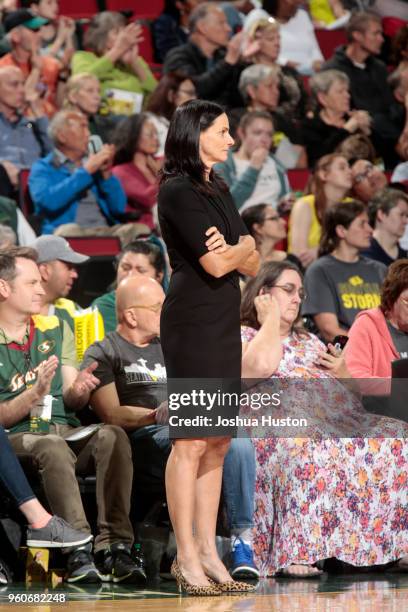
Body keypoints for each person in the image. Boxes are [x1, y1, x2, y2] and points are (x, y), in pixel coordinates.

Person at [83, 275, 260, 580]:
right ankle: (190, 551)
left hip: (188, 424)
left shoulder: (172, 345)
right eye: (158, 307)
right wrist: (156, 414)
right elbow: (111, 414)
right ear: (131, 315)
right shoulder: (105, 351)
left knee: (235, 437)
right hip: (144, 437)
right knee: (197, 438)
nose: (166, 312)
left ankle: (240, 539)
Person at [240, 259, 408, 577]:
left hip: (332, 420)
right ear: (262, 294)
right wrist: (270, 323)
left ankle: (393, 547)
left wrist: (343, 373)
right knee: (308, 438)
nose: (297, 298)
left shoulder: (310, 341)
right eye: (288, 290)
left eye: (300, 293)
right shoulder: (245, 335)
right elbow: (255, 370)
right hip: (276, 426)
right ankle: (297, 551)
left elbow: (350, 393)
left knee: (396, 433)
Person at [158, 99, 259, 594]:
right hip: (193, 322)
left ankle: (208, 551)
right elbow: (218, 265)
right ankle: (186, 554)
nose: (231, 139)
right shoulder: (177, 190)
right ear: (195, 134)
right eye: (223, 131)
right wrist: (237, 252)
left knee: (218, 442)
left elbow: (254, 260)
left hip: (223, 323)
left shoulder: (217, 185)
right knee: (191, 441)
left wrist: (237, 248)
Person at [0, 247, 144, 584]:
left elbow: (70, 396)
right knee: (50, 444)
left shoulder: (53, 329)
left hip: (61, 427)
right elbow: (2, 419)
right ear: (4, 288)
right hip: (19, 435)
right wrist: (33, 396)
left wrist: (80, 387)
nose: (40, 289)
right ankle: (77, 547)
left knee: (111, 435)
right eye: (32, 282)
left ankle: (115, 547)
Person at [28, 110, 126, 235]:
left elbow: (118, 208)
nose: (89, 134)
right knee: (71, 231)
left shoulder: (96, 166)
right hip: (67, 232)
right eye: (83, 128)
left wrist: (106, 174)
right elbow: (48, 202)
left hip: (103, 229)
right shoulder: (43, 168)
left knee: (138, 230)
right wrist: (86, 172)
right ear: (62, 136)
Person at [303, 199, 387, 341]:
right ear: (341, 231)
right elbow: (329, 330)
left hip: (382, 349)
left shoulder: (380, 269)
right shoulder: (319, 271)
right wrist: (369, 348)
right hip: (345, 354)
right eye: (362, 224)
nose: (370, 230)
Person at [322, 12, 399, 167]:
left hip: (387, 137)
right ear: (357, 35)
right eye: (376, 33)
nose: (382, 39)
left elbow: (393, 108)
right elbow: (347, 112)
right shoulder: (333, 69)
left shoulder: (380, 68)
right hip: (355, 141)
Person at [0, 424, 93, 551]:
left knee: (111, 435)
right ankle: (77, 550)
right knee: (52, 447)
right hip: (17, 432)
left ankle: (116, 547)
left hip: (67, 431)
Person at [71, 12, 156, 116]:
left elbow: (157, 95)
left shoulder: (135, 61)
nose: (124, 38)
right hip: (102, 119)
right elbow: (81, 81)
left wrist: (134, 64)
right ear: (101, 37)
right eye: (117, 33)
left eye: (124, 33)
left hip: (135, 122)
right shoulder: (83, 57)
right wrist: (117, 51)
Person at [163, 3, 245, 108]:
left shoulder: (222, 56)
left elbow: (239, 97)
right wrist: (228, 62)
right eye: (221, 23)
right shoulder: (178, 56)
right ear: (202, 27)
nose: (228, 29)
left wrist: (245, 61)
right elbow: (195, 91)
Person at [345, 258, 408, 379]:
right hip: (385, 398)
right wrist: (396, 386)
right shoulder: (366, 325)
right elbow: (355, 378)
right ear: (391, 298)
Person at [233, 63, 305, 166]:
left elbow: (300, 154)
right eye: (269, 86)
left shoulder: (283, 120)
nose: (276, 92)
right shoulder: (235, 118)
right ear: (252, 91)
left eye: (277, 87)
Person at [216, 111, 289, 212]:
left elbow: (283, 198)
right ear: (241, 133)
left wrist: (284, 204)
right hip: (241, 224)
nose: (264, 139)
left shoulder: (276, 164)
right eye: (257, 133)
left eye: (269, 134)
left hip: (273, 222)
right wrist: (253, 168)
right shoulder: (223, 165)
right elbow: (227, 207)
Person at [288, 153, 352, 268]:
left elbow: (359, 246)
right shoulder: (304, 205)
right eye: (342, 168)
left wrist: (319, 250)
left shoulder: (352, 205)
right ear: (324, 175)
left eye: (349, 167)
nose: (349, 171)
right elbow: (300, 257)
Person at [92, 240, 166, 334]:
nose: (131, 275)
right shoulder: (104, 307)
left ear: (159, 276)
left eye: (141, 270)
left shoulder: (170, 305)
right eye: (125, 268)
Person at [302, 69, 372, 167]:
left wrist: (367, 131)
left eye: (347, 91)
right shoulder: (310, 126)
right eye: (340, 91)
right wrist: (346, 130)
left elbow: (379, 156)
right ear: (323, 98)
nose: (347, 96)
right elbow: (318, 159)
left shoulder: (355, 119)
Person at [0, 8, 61, 117]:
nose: (40, 35)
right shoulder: (3, 70)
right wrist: (36, 70)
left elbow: (62, 104)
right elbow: (21, 103)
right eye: (34, 30)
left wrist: (64, 77)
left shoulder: (53, 65)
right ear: (16, 36)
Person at [244, 0, 324, 75]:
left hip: (311, 72)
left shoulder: (302, 15)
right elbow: (249, 50)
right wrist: (285, 63)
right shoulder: (258, 16)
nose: (298, 3)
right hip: (276, 72)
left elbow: (315, 49)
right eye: (293, 1)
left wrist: (318, 61)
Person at [111, 114, 160, 230]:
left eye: (156, 134)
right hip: (144, 232)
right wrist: (163, 175)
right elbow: (148, 200)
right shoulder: (121, 171)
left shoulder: (161, 163)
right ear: (134, 136)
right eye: (149, 134)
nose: (155, 138)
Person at [31, 235, 89, 327]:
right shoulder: (12, 313)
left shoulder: (71, 310)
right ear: (44, 271)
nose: (75, 275)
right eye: (69, 267)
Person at [0, 65, 51, 171]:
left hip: (36, 183)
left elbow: (56, 157)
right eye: (14, 85)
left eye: (23, 84)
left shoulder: (33, 125)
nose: (22, 90)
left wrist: (38, 111)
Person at [146, 71, 197, 156]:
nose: (195, 98)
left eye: (195, 94)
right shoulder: (151, 123)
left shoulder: (188, 126)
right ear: (171, 95)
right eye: (190, 93)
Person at [65, 73, 122, 143]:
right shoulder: (62, 126)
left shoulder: (104, 125)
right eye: (90, 91)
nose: (97, 96)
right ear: (72, 97)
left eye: (98, 91)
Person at [363, 188, 408, 266]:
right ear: (381, 214)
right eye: (401, 215)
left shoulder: (405, 258)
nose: (406, 221)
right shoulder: (363, 254)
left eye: (407, 216)